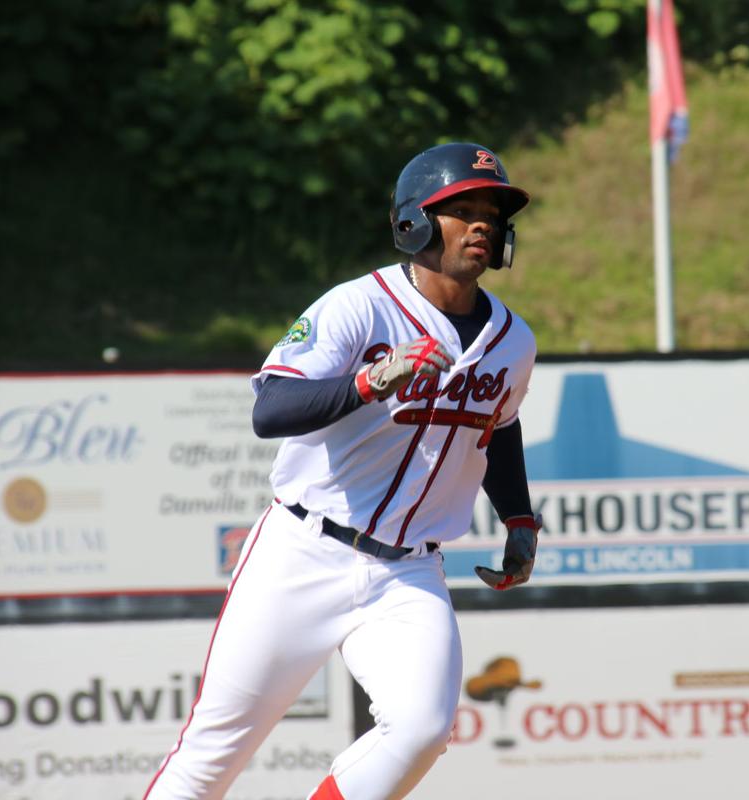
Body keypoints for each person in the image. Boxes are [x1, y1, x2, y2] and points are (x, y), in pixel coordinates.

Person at [144, 142, 541, 800]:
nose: (482, 224)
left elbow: (499, 426)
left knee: (422, 729)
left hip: (408, 570)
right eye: (461, 209)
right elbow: (271, 408)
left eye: (493, 213)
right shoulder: (359, 306)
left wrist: (520, 518)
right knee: (211, 755)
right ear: (413, 221)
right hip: (304, 551)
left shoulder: (514, 341)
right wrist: (368, 381)